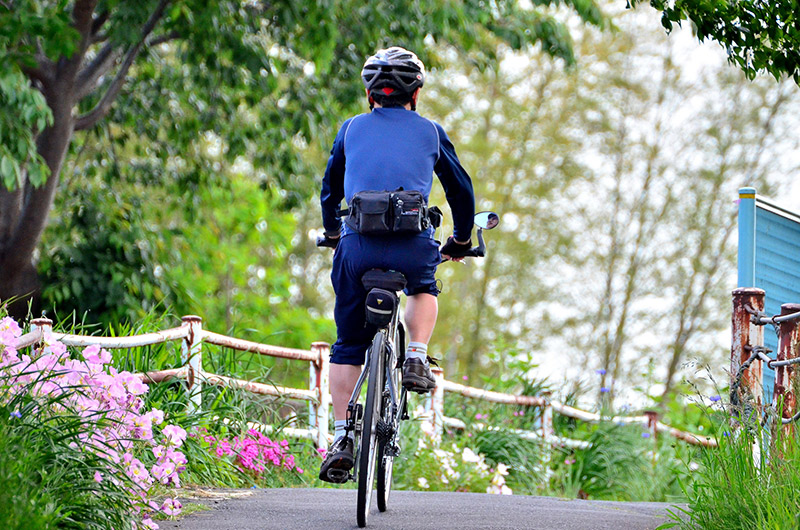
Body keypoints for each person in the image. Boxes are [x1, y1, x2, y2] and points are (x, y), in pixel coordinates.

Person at [318, 46, 475, 483]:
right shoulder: (430, 132)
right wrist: (460, 240)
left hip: (357, 249)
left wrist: (333, 232)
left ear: (370, 96)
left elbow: (330, 189)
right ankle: (418, 358)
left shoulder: (350, 130)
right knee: (425, 288)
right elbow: (461, 191)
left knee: (348, 342)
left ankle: (342, 436)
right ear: (416, 95)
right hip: (412, 247)